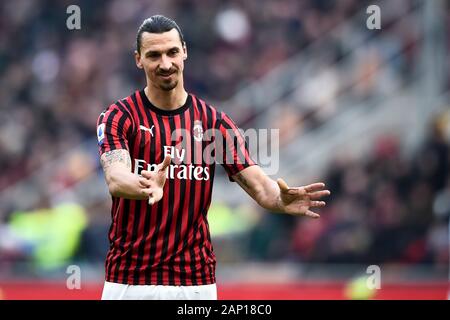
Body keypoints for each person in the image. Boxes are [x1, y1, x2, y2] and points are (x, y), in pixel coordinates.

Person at [96, 15, 330, 300]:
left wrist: (280, 200)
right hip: (130, 282)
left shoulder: (213, 122)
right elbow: (116, 177)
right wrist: (146, 186)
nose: (166, 64)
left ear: (185, 51)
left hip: (195, 284)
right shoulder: (120, 117)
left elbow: (258, 184)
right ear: (138, 59)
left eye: (172, 52)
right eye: (154, 55)